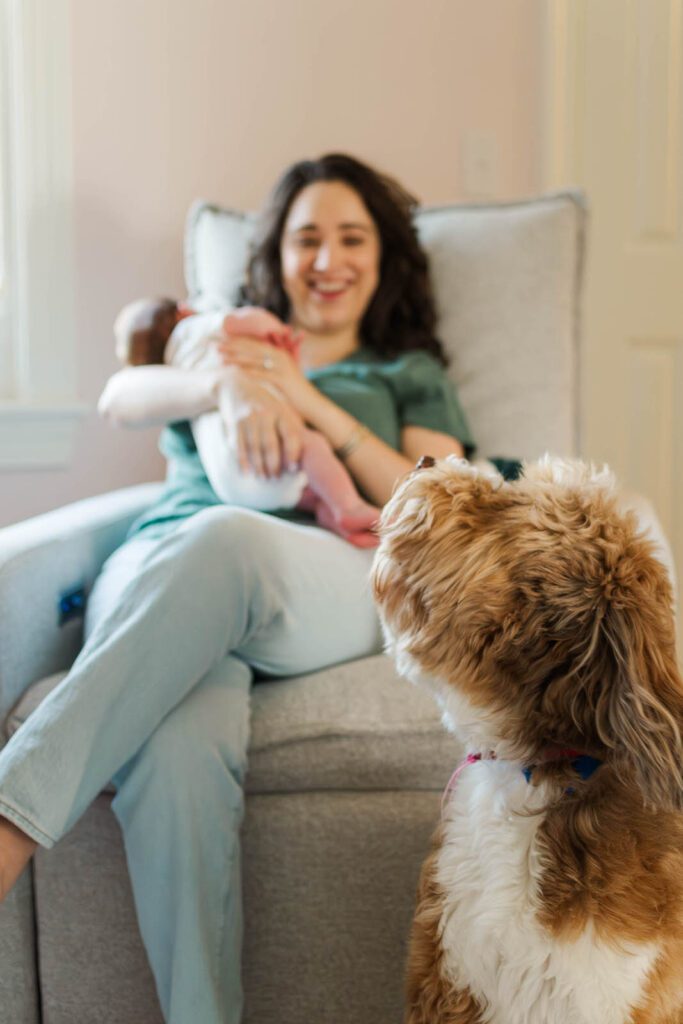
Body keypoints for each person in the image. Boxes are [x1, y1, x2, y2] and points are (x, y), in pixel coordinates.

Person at [0, 153, 474, 1024]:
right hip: (158, 569)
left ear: (384, 257)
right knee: (175, 746)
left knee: (223, 539)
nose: (326, 258)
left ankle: (11, 814)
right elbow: (120, 396)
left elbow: (437, 497)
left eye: (350, 237)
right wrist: (220, 381)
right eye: (306, 238)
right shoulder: (220, 339)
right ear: (276, 255)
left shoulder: (405, 370)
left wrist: (308, 401)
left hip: (317, 574)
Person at [113, 297, 380, 545]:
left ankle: (325, 507)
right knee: (311, 447)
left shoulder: (174, 370)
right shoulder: (195, 328)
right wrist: (276, 331)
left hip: (229, 484)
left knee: (291, 475)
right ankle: (344, 506)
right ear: (183, 310)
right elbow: (249, 320)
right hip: (262, 466)